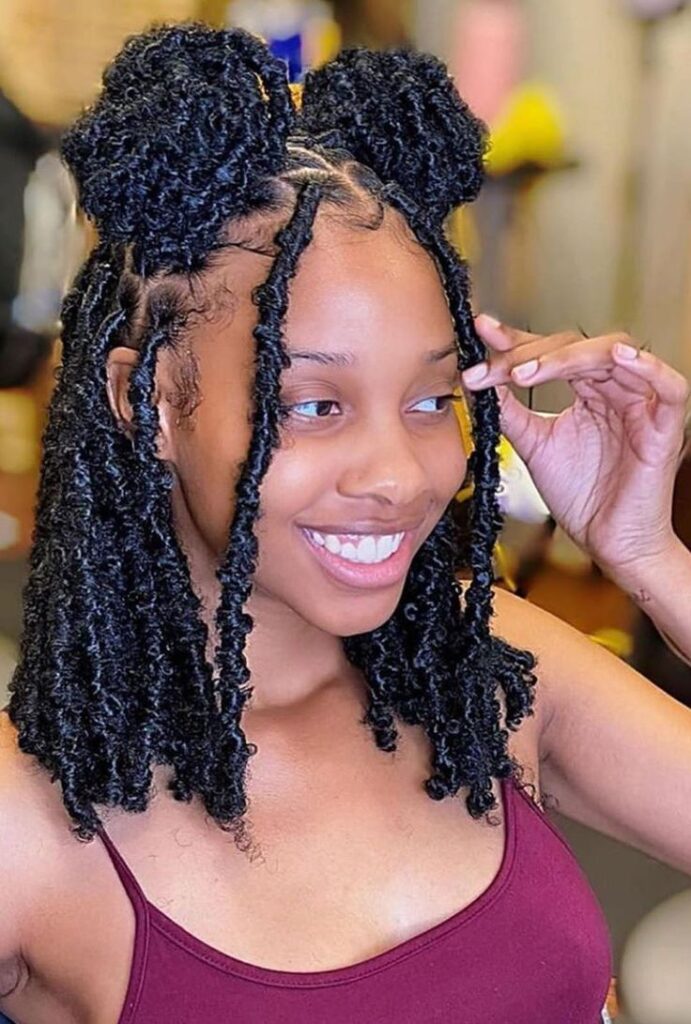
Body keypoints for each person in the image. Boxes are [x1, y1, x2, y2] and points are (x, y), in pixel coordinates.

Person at [0, 24, 689, 1024]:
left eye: (430, 398)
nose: (400, 475)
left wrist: (646, 556)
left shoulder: (484, 665)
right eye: (313, 405)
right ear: (145, 402)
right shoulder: (31, 823)